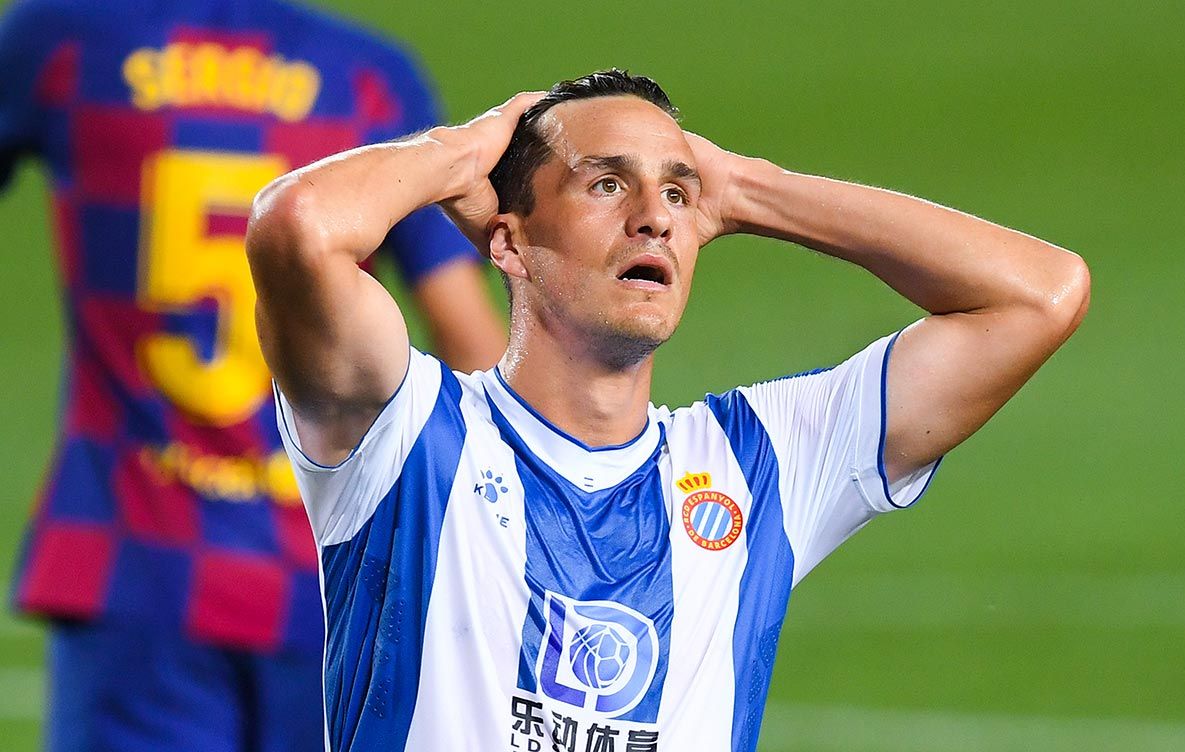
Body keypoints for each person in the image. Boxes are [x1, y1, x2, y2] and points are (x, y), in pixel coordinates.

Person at [248, 70, 1091, 751]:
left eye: (679, 196)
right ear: (509, 241)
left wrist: (748, 187)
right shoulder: (405, 435)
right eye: (607, 184)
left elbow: (1041, 295)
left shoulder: (760, 463)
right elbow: (298, 224)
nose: (653, 218)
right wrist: (461, 151)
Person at [0, 0, 506, 749]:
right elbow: (472, 340)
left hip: (135, 568)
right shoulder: (368, 80)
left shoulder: (67, 39)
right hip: (336, 575)